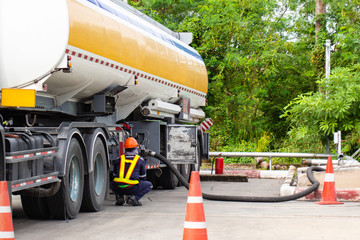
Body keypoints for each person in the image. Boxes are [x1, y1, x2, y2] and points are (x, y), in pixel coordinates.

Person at [111, 137, 153, 206]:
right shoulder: (140, 160)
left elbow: (114, 175)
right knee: (149, 185)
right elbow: (143, 177)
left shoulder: (118, 159)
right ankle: (134, 198)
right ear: (136, 148)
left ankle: (119, 198)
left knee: (112, 183)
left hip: (118, 187)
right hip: (133, 188)